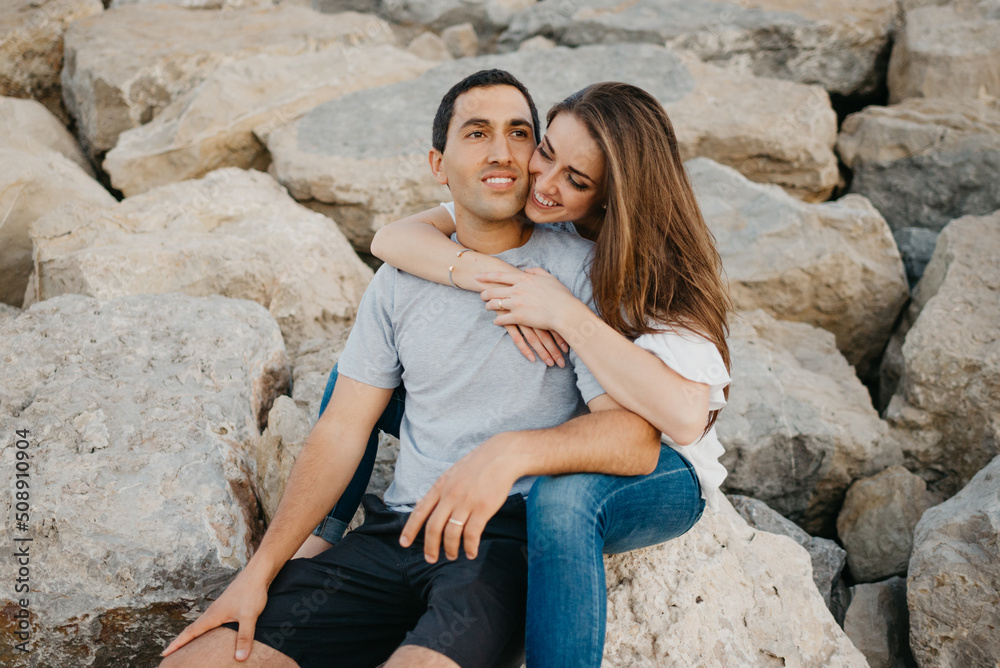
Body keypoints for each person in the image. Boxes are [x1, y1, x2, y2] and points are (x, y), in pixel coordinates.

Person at [158, 69, 662, 668]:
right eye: (477, 133)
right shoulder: (401, 278)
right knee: (198, 661)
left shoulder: (582, 273)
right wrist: (259, 571)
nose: (502, 151)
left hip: (494, 546)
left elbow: (633, 438)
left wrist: (505, 455)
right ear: (438, 164)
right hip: (394, 534)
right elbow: (343, 427)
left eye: (520, 133)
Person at [297, 81, 734, 668]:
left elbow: (681, 418)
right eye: (546, 152)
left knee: (562, 501)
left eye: (576, 181)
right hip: (598, 419)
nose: (546, 183)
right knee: (354, 385)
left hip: (667, 462)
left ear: (611, 196)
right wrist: (485, 274)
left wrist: (564, 314)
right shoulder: (534, 213)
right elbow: (392, 239)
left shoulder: (645, 268)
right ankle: (321, 534)